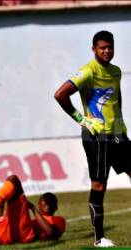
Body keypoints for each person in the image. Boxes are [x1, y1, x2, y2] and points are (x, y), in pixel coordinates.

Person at [54, 30, 131, 247]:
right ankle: (99, 238)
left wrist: (122, 125)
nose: (107, 51)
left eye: (110, 47)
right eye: (102, 47)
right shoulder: (88, 71)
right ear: (94, 49)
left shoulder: (116, 72)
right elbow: (60, 94)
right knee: (99, 185)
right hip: (96, 136)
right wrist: (83, 120)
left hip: (117, 133)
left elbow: (117, 99)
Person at [0, 175, 65, 245]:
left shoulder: (59, 220)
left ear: (56, 207)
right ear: (40, 203)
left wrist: (33, 208)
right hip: (3, 234)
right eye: (45, 201)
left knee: (14, 180)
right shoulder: (32, 220)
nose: (47, 204)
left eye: (51, 202)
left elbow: (51, 234)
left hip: (23, 235)